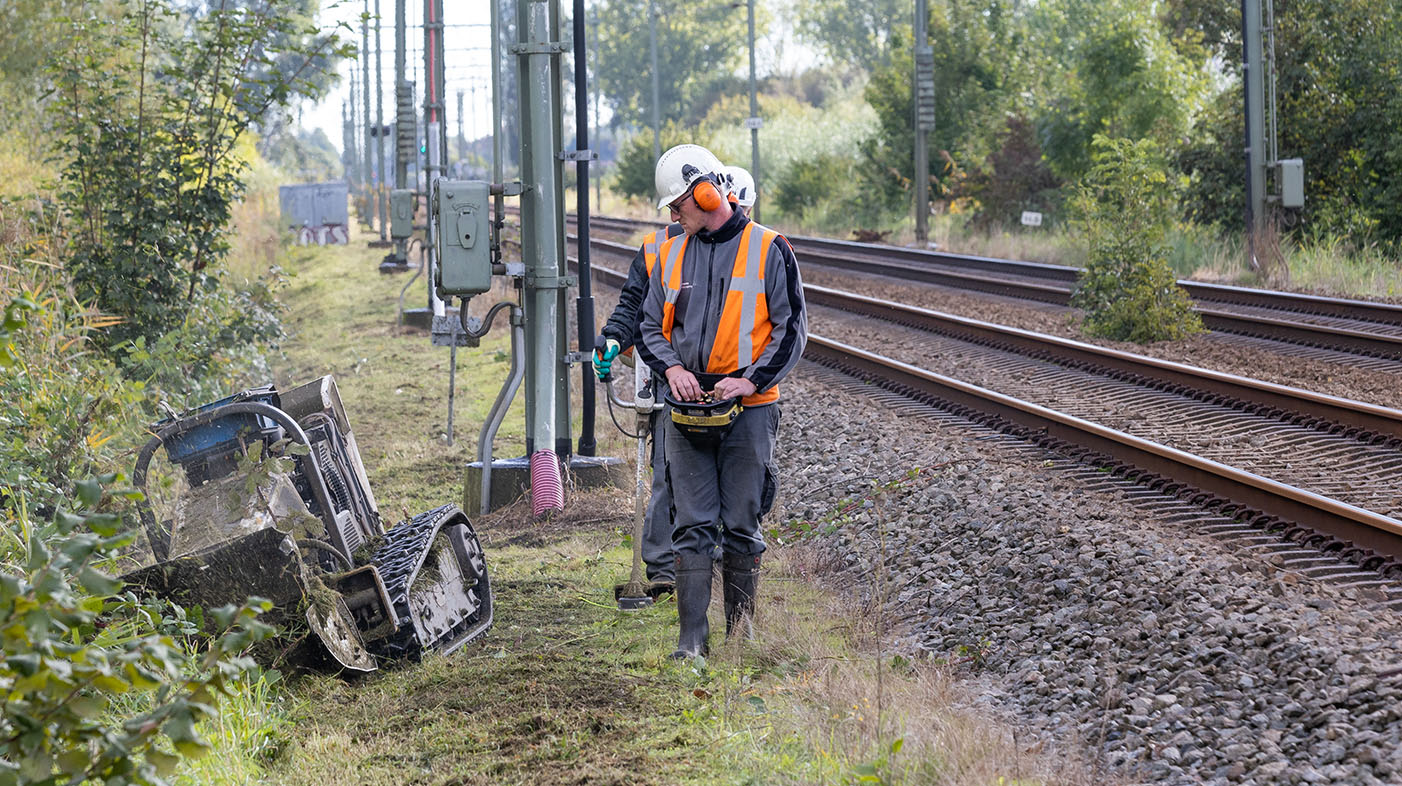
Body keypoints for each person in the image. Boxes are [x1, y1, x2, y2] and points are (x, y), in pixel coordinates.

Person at [637, 144, 807, 659]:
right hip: (686, 408)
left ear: (706, 193)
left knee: (741, 523)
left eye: (677, 205)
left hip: (748, 410)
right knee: (691, 525)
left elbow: (792, 330)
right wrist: (673, 368)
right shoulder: (669, 254)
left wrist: (749, 381)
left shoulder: (771, 248)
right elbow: (648, 326)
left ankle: (741, 634)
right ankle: (692, 643)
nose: (673, 216)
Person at [594, 214, 684, 595]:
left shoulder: (748, 247)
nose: (678, 215)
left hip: (730, 383)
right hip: (670, 378)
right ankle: (664, 568)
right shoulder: (655, 247)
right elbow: (632, 304)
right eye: (674, 206)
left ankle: (707, 560)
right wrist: (614, 337)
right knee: (668, 471)